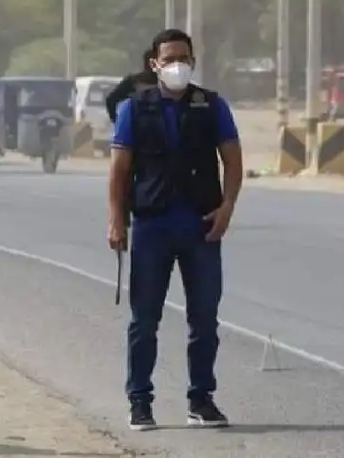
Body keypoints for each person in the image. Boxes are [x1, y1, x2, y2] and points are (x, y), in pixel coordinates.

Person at [108, 28, 243, 431]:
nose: (177, 66)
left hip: (201, 227)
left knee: (204, 320)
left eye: (183, 58)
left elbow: (233, 161)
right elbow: (119, 171)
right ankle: (139, 402)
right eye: (169, 59)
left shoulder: (212, 106)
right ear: (154, 64)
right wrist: (116, 219)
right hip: (152, 226)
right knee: (144, 320)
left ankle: (201, 400)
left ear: (193, 61)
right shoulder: (134, 108)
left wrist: (227, 208)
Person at [105, 49, 158, 123]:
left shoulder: (167, 82)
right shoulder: (134, 81)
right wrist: (118, 121)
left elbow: (111, 100)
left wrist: (118, 121)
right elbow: (111, 100)